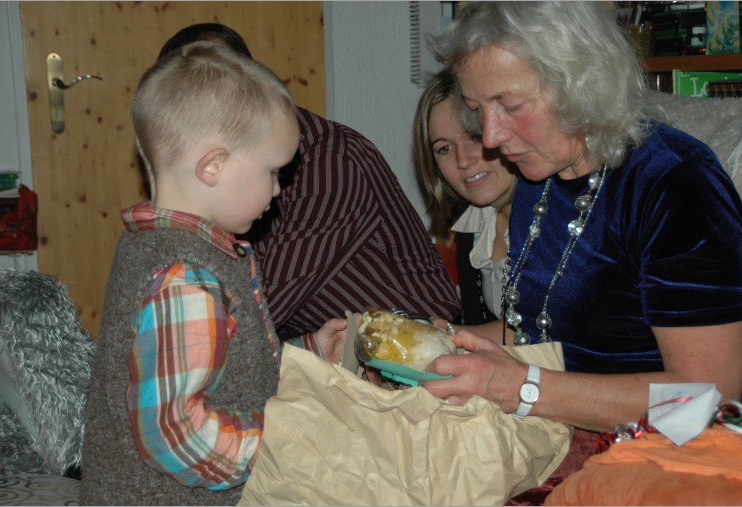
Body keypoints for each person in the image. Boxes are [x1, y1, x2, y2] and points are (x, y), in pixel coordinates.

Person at [421, 1, 742, 433]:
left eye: (510, 104)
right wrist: (437, 345)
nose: (492, 136)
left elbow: (706, 401)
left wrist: (522, 388)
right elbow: (543, 328)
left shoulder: (675, 184)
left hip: (666, 452)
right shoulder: (540, 175)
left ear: (580, 83)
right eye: (477, 110)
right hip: (558, 426)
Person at [80, 42, 351, 505]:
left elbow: (225, 366)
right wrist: (290, 441)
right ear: (213, 166)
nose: (279, 189)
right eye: (272, 172)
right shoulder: (186, 278)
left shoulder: (165, 247)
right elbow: (175, 432)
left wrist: (306, 353)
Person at [157, 24, 461, 338]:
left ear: (254, 81)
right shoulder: (220, 174)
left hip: (418, 347)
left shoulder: (330, 159)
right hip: (332, 352)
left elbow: (264, 305)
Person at [413, 69, 516, 326]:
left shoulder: (560, 218)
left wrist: (444, 336)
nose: (463, 160)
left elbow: (551, 336)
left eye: (474, 136)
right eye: (444, 148)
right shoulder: (471, 229)